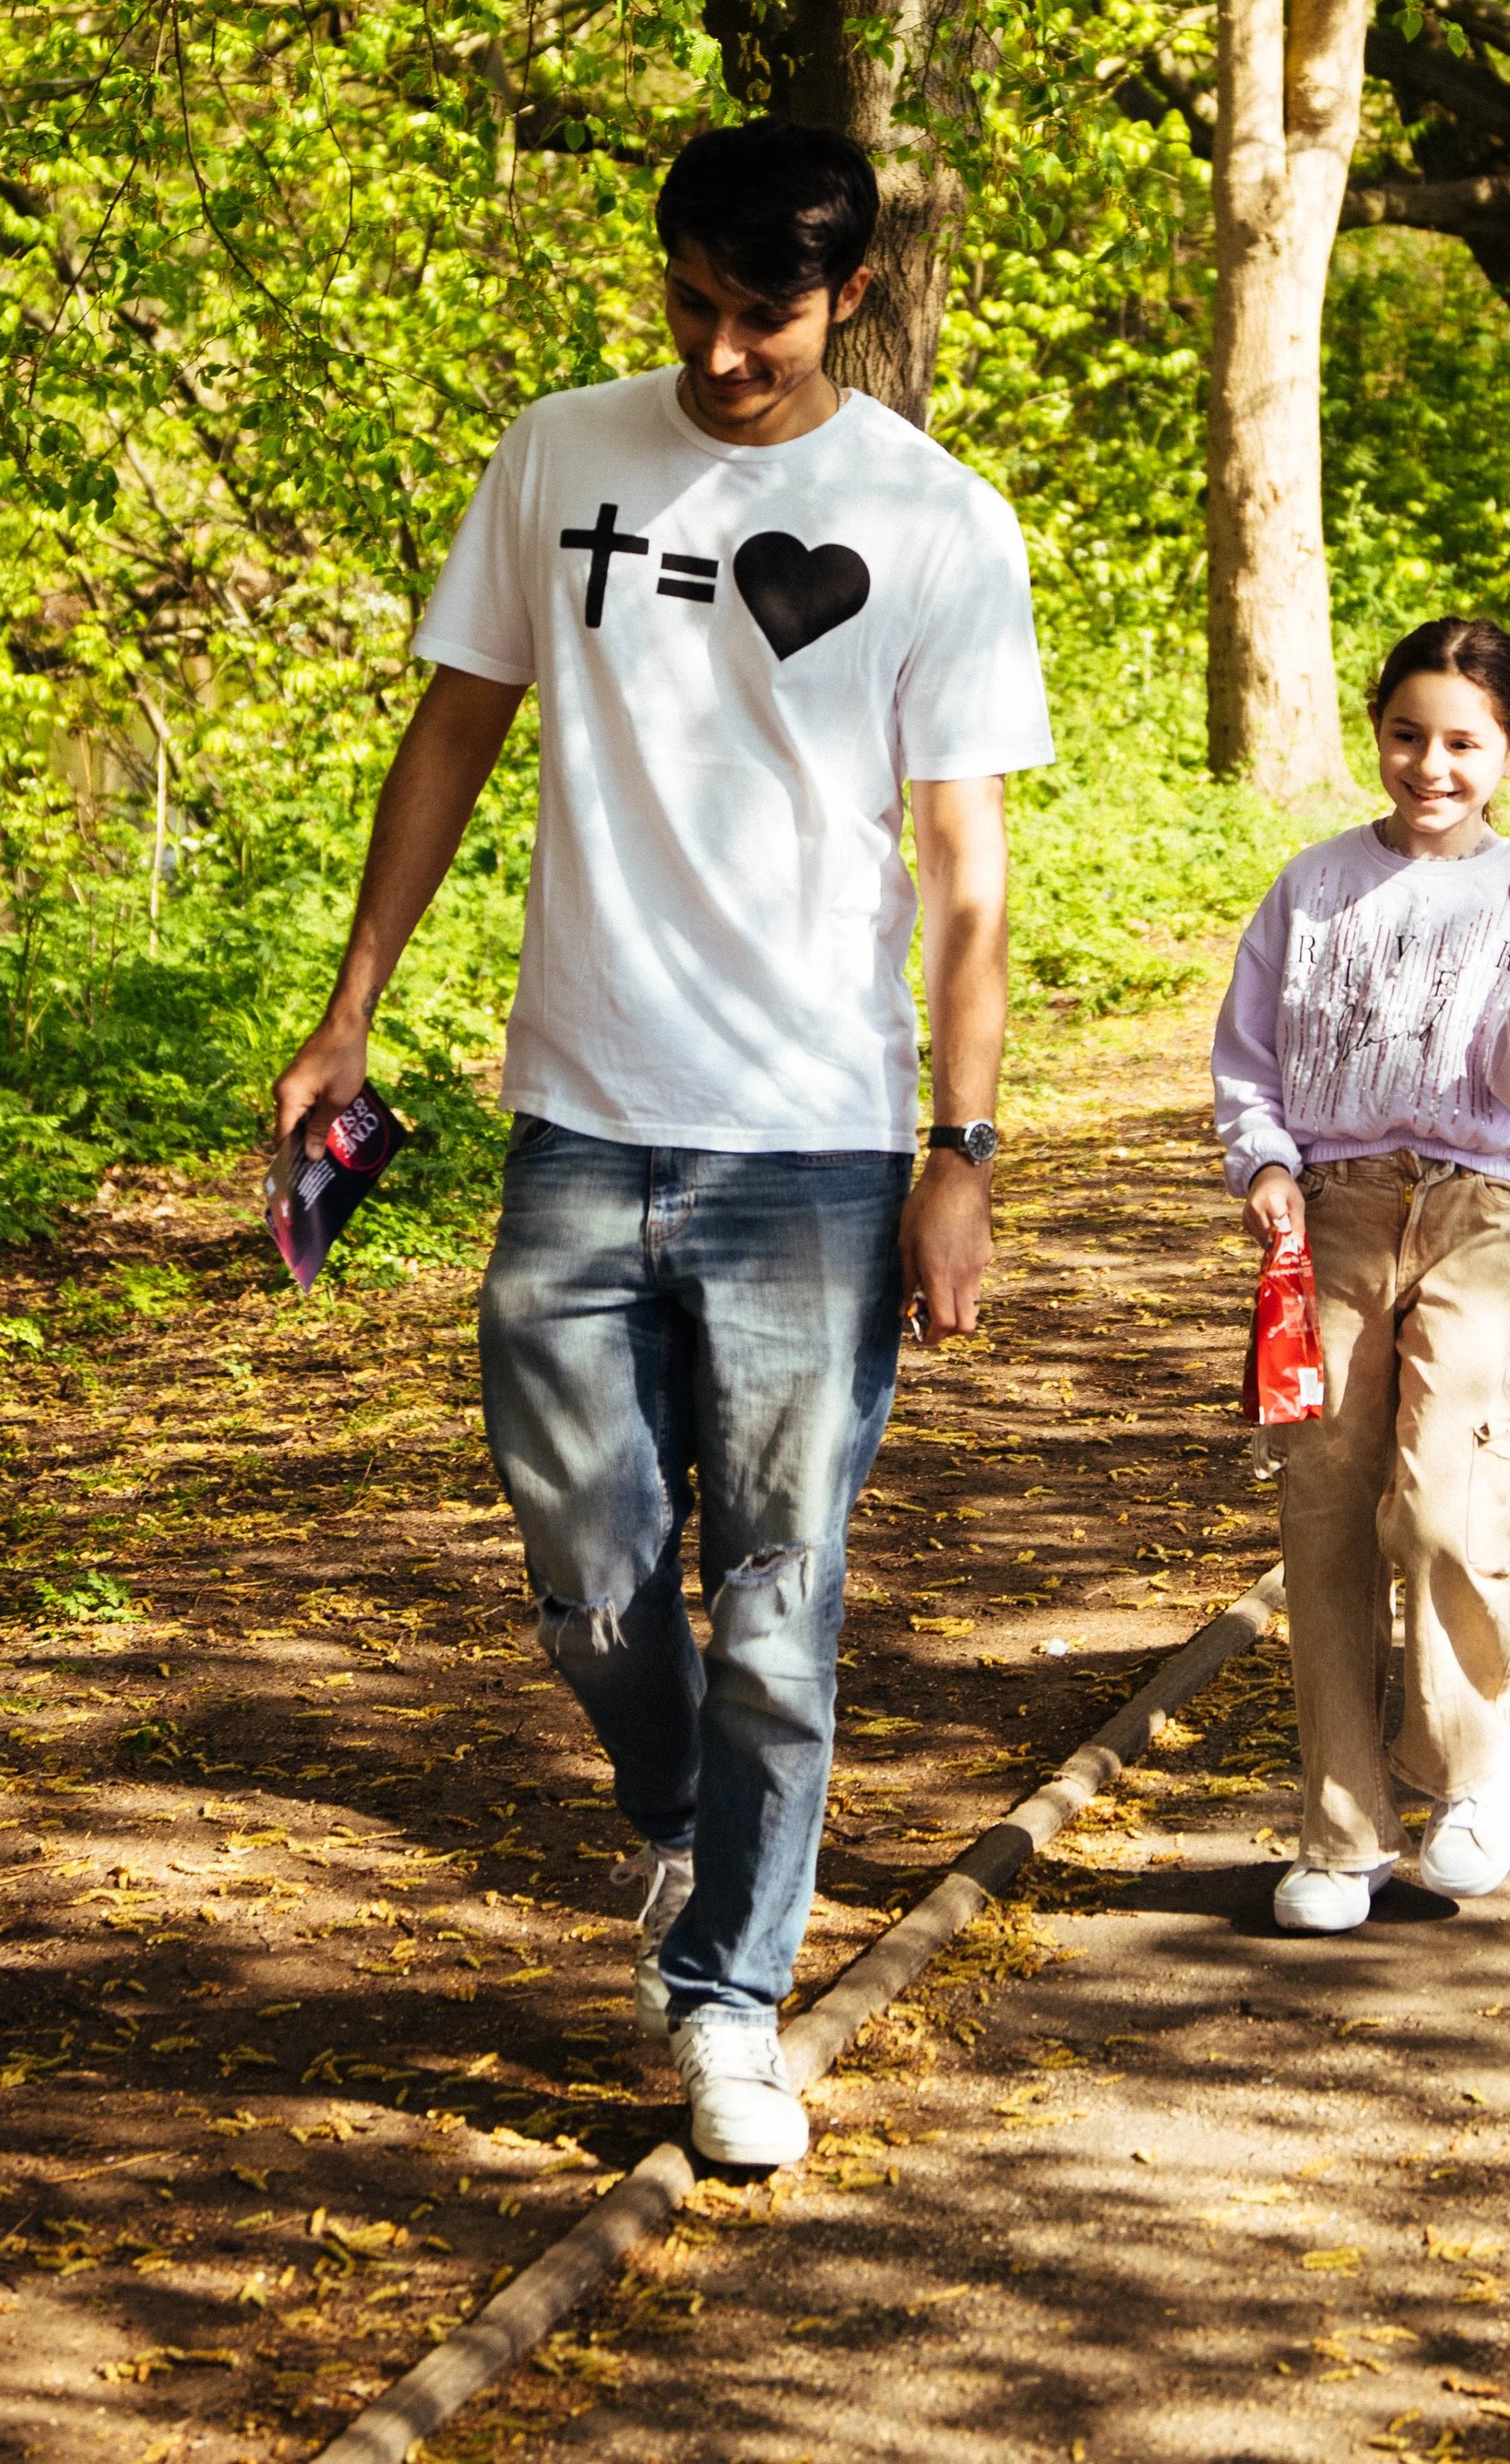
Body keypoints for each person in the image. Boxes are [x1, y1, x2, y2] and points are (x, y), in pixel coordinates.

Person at [270, 118, 1052, 2169]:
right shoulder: (560, 452)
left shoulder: (936, 519)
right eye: (689, 304)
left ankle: (729, 2005)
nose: (717, 355)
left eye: (760, 316)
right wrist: (349, 1008)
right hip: (578, 1120)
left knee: (780, 1608)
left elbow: (965, 868)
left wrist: (958, 1148)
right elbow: (452, 726)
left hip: (812, 1151)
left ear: (848, 294)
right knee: (593, 1581)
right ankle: (686, 1819)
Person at [1211, 616, 1510, 1934]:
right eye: (1405, 735)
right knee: (1325, 1507)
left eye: (1463, 742)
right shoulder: (1311, 884)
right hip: (1329, 1217)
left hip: (1470, 1210)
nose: (1430, 765)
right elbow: (1250, 1055)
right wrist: (1262, 1162)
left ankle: (1467, 1770)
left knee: (1445, 1494)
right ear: (1374, 730)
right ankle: (1342, 1828)